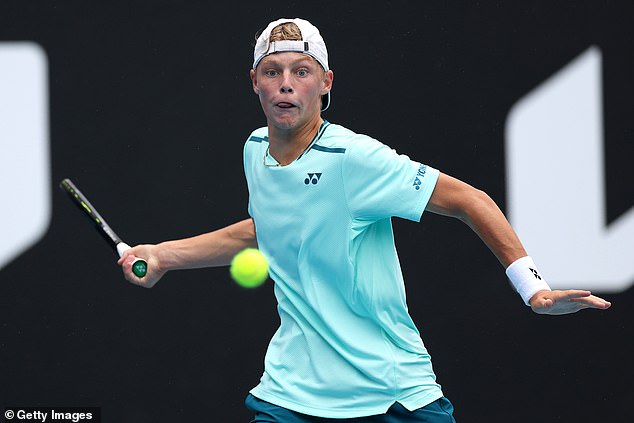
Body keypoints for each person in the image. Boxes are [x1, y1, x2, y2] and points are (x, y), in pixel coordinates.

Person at [118, 18, 612, 422]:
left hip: (388, 394)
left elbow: (469, 199)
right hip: (292, 393)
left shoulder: (354, 158)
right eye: (272, 71)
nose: (286, 83)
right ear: (255, 83)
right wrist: (163, 255)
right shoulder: (254, 151)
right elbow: (266, 227)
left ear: (326, 83)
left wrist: (532, 287)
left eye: (301, 71)